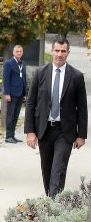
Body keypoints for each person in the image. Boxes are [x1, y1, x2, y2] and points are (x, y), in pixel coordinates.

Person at [24, 36, 87, 197]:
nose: (60, 54)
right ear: (52, 51)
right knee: (47, 169)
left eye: (63, 51)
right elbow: (31, 104)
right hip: (44, 130)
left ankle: (54, 204)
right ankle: (52, 199)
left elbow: (82, 107)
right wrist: (30, 132)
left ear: (68, 53)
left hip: (65, 132)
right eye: (57, 51)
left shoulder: (76, 76)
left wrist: (81, 135)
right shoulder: (40, 73)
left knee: (58, 168)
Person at [3, 44, 27, 143]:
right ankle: (8, 136)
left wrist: (25, 93)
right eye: (17, 51)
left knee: (16, 115)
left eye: (20, 51)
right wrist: (7, 93)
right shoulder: (9, 63)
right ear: (13, 52)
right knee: (10, 116)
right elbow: (6, 79)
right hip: (12, 94)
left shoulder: (23, 63)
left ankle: (12, 135)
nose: (19, 53)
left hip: (20, 94)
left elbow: (24, 79)